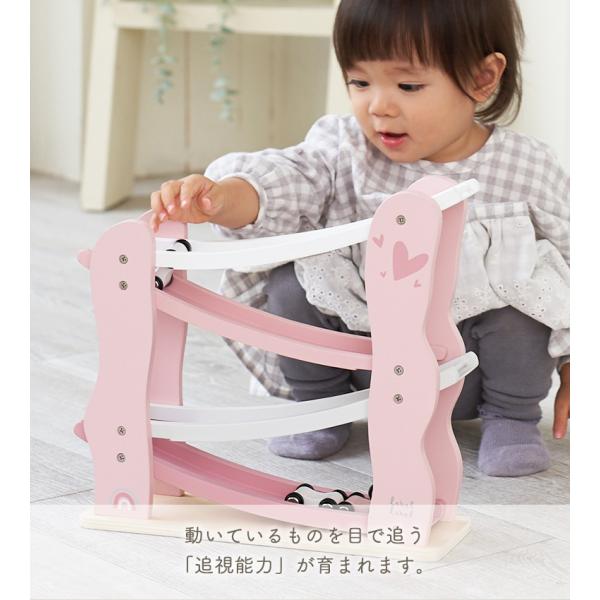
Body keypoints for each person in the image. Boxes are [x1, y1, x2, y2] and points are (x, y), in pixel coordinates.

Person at [149, 0, 570, 477]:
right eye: (359, 82)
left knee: (528, 300)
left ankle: (511, 421)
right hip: (360, 366)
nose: (379, 106)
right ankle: (319, 406)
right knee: (291, 280)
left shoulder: (527, 168)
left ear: (482, 77)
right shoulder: (343, 147)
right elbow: (287, 179)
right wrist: (224, 196)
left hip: (470, 372)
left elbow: (575, 265)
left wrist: (576, 360)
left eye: (408, 86)